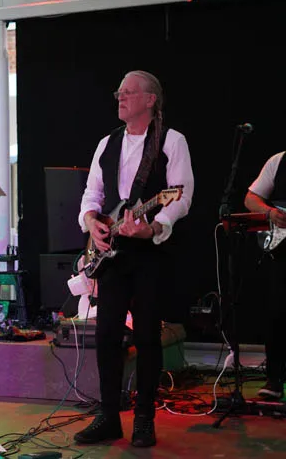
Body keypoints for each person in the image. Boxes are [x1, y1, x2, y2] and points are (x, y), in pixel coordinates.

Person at [75, 70, 194, 447]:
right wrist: (91, 222)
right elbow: (92, 194)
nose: (120, 98)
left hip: (149, 254)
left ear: (150, 100)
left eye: (128, 92)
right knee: (106, 335)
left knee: (146, 336)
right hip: (111, 254)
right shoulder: (106, 143)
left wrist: (154, 227)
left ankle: (144, 419)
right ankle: (109, 416)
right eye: (119, 93)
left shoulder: (171, 141)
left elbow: (181, 196)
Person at [244, 151, 286, 400]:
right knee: (277, 312)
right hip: (282, 253)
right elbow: (251, 198)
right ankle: (274, 379)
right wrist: (270, 213)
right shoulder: (278, 161)